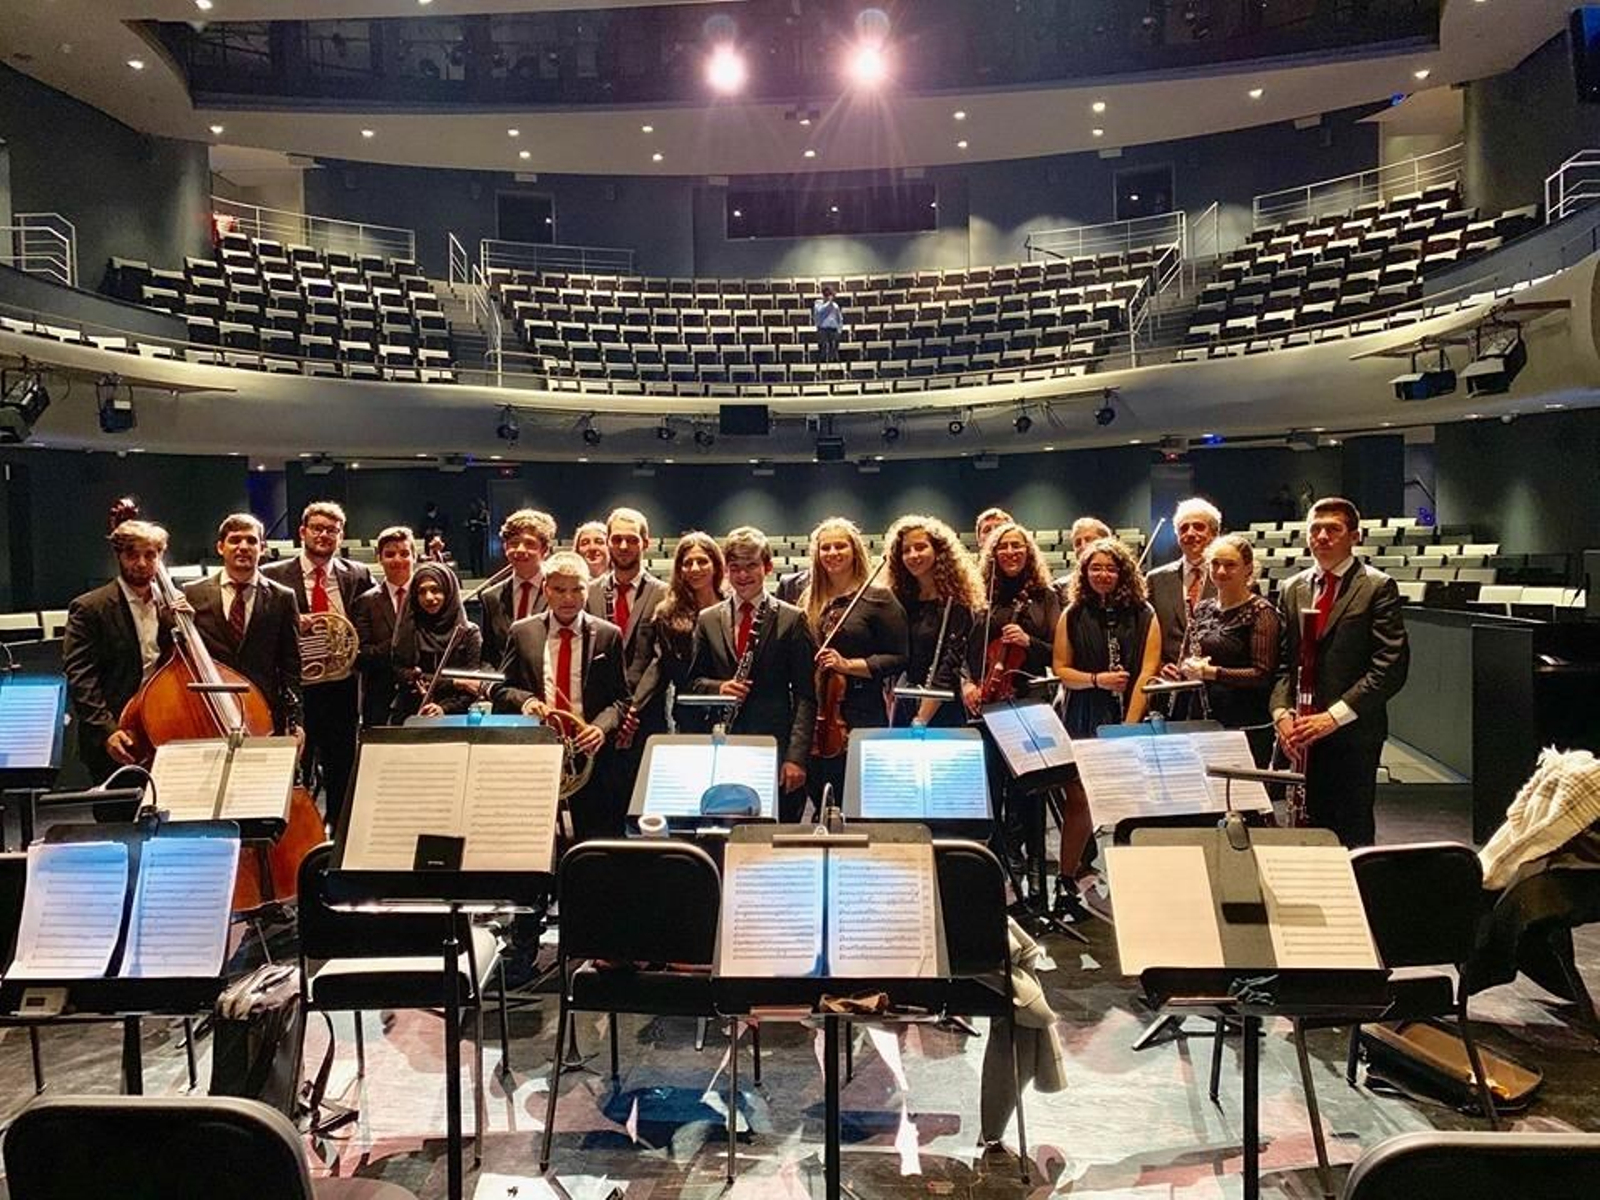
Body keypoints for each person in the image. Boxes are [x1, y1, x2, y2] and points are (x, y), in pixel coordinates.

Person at [1271, 497, 1409, 847]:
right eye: (1315, 529)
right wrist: (1281, 714)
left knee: (1351, 828)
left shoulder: (1377, 587)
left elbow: (1389, 667)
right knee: (1305, 826)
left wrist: (1331, 718)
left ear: (1354, 536)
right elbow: (1284, 664)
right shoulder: (1291, 588)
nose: (1322, 536)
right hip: (1300, 730)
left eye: (1333, 529)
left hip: (1352, 735)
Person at [1052, 536, 1161, 912]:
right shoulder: (1074, 613)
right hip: (1083, 713)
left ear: (1123, 573)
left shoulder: (1144, 613)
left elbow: (1147, 672)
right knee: (1078, 800)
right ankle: (1067, 879)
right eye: (1095, 568)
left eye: (1110, 568)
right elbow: (1061, 670)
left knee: (1131, 804)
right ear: (1084, 572)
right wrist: (1098, 679)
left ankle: (1136, 882)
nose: (1103, 574)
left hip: (1127, 715)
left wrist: (1128, 726)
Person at [493, 551, 628, 840]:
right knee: (535, 840)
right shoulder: (522, 632)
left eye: (577, 588)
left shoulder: (609, 634)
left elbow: (621, 700)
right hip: (537, 752)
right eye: (559, 589)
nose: (568, 598)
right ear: (545, 589)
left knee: (594, 839)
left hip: (588, 753)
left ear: (588, 588)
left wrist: (600, 729)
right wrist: (526, 701)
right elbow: (500, 689)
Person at [687, 527, 816, 820]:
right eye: (735, 568)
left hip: (775, 747)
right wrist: (720, 688)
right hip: (724, 744)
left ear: (767, 568)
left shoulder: (792, 618)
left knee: (775, 837)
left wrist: (796, 757)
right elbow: (693, 683)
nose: (742, 575)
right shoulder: (708, 619)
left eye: (751, 567)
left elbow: (807, 696)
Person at [262, 501, 372, 827]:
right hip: (296, 689)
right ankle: (298, 830)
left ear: (341, 536)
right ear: (302, 532)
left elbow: (365, 628)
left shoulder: (358, 574)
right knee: (297, 765)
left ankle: (338, 831)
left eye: (332, 530)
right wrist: (297, 621)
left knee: (342, 764)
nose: (324, 535)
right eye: (317, 529)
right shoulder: (272, 575)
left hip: (342, 686)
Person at [802, 517, 908, 817]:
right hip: (818, 711)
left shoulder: (878, 598)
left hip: (861, 708)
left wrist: (847, 665)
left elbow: (899, 657)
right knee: (819, 792)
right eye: (826, 547)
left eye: (840, 545)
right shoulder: (811, 599)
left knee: (857, 798)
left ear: (855, 550)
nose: (833, 553)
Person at [62, 519, 175, 781]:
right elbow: (81, 678)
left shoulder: (172, 607)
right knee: (118, 818)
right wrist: (107, 731)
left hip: (165, 728)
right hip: (118, 736)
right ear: (119, 555)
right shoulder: (89, 608)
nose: (142, 563)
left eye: (150, 555)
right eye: (132, 554)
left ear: (161, 556)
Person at [184, 513, 302, 737]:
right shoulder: (192, 593)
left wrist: (296, 720)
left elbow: (290, 665)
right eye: (235, 540)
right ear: (220, 547)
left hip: (265, 711)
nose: (243, 547)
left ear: (263, 548)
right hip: (208, 708)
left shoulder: (283, 597)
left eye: (251, 540)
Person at [1176, 534, 1280, 765]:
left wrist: (1212, 673)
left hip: (1245, 725)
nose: (1221, 571)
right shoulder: (1202, 608)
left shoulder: (1262, 613)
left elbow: (1262, 675)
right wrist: (1186, 668)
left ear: (1248, 569)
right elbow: (1185, 656)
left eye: (1230, 565)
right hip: (1202, 720)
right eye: (1215, 563)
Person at [884, 514, 982, 727]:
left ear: (939, 551)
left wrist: (922, 718)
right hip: (905, 697)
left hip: (942, 704)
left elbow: (949, 665)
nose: (913, 555)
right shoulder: (901, 600)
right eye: (906, 550)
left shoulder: (957, 603)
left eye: (921, 547)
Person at [632, 531, 725, 739]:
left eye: (702, 561)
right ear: (679, 570)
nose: (694, 569)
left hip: (732, 713)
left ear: (716, 565)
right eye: (687, 563)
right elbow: (668, 671)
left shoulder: (732, 607)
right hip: (689, 715)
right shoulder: (667, 615)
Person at [965, 522, 1062, 713]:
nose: (1010, 551)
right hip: (980, 692)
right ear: (993, 554)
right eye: (1002, 547)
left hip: (1031, 693)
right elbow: (962, 646)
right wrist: (966, 683)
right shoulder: (980, 594)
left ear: (1029, 552)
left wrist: (1028, 642)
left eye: (1017, 545)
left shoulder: (1045, 596)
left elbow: (1058, 653)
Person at [390, 563, 483, 722]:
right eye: (421, 592)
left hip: (456, 716)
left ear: (448, 591)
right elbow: (404, 674)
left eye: (435, 590)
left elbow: (472, 685)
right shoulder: (409, 628)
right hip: (410, 712)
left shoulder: (469, 633)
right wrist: (455, 682)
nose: (429, 598)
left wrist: (444, 708)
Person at [350, 525, 414, 728]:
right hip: (380, 702)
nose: (397, 560)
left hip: (422, 699)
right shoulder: (365, 602)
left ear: (415, 556)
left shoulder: (429, 597)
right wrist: (400, 641)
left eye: (404, 553)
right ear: (379, 558)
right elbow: (361, 657)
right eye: (390, 554)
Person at [1148, 497, 1222, 670]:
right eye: (1183, 528)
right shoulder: (1155, 580)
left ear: (1214, 533)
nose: (1190, 533)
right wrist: (1160, 666)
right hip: (1169, 685)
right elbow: (1145, 636)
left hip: (1217, 684)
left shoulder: (1231, 578)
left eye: (1198, 527)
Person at [480, 508, 556, 669]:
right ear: (505, 547)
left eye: (529, 543)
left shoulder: (560, 591)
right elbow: (488, 655)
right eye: (513, 543)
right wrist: (491, 688)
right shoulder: (491, 597)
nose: (520, 550)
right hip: (503, 689)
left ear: (545, 550)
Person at [1054, 516, 1113, 599]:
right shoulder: (1059, 588)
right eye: (1078, 543)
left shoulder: (1124, 585)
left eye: (1089, 540)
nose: (1083, 546)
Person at [812, 284, 843, 363]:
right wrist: (829, 303)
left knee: (834, 351)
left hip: (833, 330)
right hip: (822, 330)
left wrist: (839, 330)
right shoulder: (818, 303)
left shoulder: (835, 306)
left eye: (829, 294)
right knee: (823, 350)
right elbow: (820, 311)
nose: (827, 296)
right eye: (826, 294)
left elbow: (840, 318)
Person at [463, 497, 490, 577]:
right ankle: (474, 573)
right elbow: (465, 523)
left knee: (480, 555)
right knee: (472, 555)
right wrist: (468, 524)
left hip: (480, 535)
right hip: (471, 535)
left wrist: (478, 522)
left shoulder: (484, 513)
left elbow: (487, 524)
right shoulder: (469, 513)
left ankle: (481, 573)